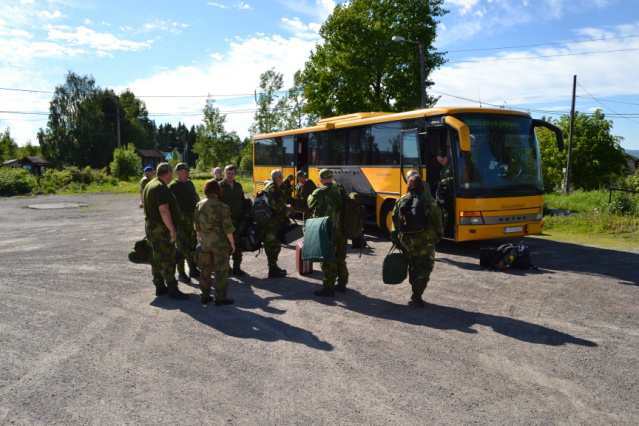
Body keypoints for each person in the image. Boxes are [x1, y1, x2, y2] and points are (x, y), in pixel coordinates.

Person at [392, 171, 443, 307]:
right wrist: (438, 235)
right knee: (425, 267)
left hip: (407, 241)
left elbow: (395, 221)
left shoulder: (401, 200)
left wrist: (397, 239)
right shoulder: (429, 202)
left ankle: (414, 288)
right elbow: (438, 221)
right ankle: (417, 295)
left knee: (413, 265)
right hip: (425, 241)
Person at [142, 162, 189, 300]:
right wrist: (172, 229)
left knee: (156, 257)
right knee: (167, 258)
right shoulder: (160, 187)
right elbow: (164, 210)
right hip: (160, 229)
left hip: (151, 227)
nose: (172, 176)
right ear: (168, 173)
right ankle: (172, 289)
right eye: (171, 173)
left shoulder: (150, 184)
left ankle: (160, 286)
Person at [194, 180, 236, 306]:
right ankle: (220, 298)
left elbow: (196, 227)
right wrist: (232, 244)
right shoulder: (223, 207)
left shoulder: (199, 205)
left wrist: (200, 240)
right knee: (221, 271)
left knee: (205, 270)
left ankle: (205, 296)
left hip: (205, 243)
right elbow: (228, 229)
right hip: (220, 245)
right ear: (218, 191)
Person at [307, 169, 348, 297]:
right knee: (340, 257)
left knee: (327, 259)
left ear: (321, 179)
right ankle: (342, 284)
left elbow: (309, 204)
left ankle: (328, 288)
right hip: (341, 230)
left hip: (328, 231)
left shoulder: (319, 192)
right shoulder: (340, 189)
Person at [168, 162, 201, 284]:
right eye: (184, 171)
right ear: (178, 172)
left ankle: (192, 269)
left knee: (192, 246)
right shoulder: (173, 186)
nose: (187, 173)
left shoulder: (190, 184)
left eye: (187, 171)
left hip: (191, 220)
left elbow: (196, 198)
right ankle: (181, 273)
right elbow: (169, 205)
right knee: (181, 248)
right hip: (179, 222)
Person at [220, 164, 247, 276]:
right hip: (225, 221)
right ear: (224, 173)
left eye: (232, 173)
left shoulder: (238, 186)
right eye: (228, 173)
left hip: (238, 220)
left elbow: (242, 199)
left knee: (238, 245)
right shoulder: (219, 186)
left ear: (235, 174)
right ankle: (227, 268)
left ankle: (237, 268)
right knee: (225, 246)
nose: (230, 175)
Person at [262, 169, 288, 278]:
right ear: (277, 178)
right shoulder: (273, 189)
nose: (282, 179)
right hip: (272, 223)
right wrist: (286, 208)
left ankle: (273, 267)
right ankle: (273, 269)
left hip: (271, 221)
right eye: (281, 177)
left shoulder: (271, 187)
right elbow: (274, 205)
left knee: (273, 245)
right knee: (273, 245)